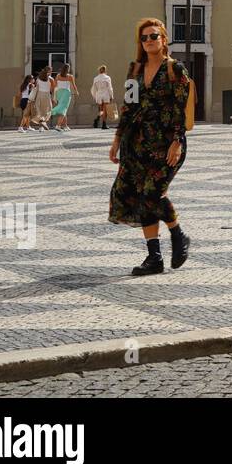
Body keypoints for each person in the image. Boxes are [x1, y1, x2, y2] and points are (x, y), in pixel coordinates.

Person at [108, 17, 192, 276]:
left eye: (154, 36)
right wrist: (117, 140)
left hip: (166, 143)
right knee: (139, 196)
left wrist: (177, 141)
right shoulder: (134, 70)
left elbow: (180, 108)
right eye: (144, 38)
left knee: (153, 194)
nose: (149, 41)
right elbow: (129, 106)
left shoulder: (175, 69)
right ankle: (154, 257)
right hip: (136, 143)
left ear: (164, 39)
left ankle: (178, 235)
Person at [51, 63, 77, 131]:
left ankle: (65, 126)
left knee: (63, 108)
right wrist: (76, 92)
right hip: (66, 93)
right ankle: (58, 125)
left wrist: (55, 94)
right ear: (68, 69)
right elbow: (74, 85)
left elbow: (55, 85)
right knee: (63, 109)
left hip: (59, 93)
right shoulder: (70, 76)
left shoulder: (58, 76)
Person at [91, 65, 115, 129]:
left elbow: (94, 88)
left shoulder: (95, 78)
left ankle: (97, 119)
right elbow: (110, 88)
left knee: (101, 110)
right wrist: (111, 95)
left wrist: (94, 96)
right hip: (105, 94)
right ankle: (104, 124)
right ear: (105, 70)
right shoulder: (107, 78)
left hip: (99, 94)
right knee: (105, 110)